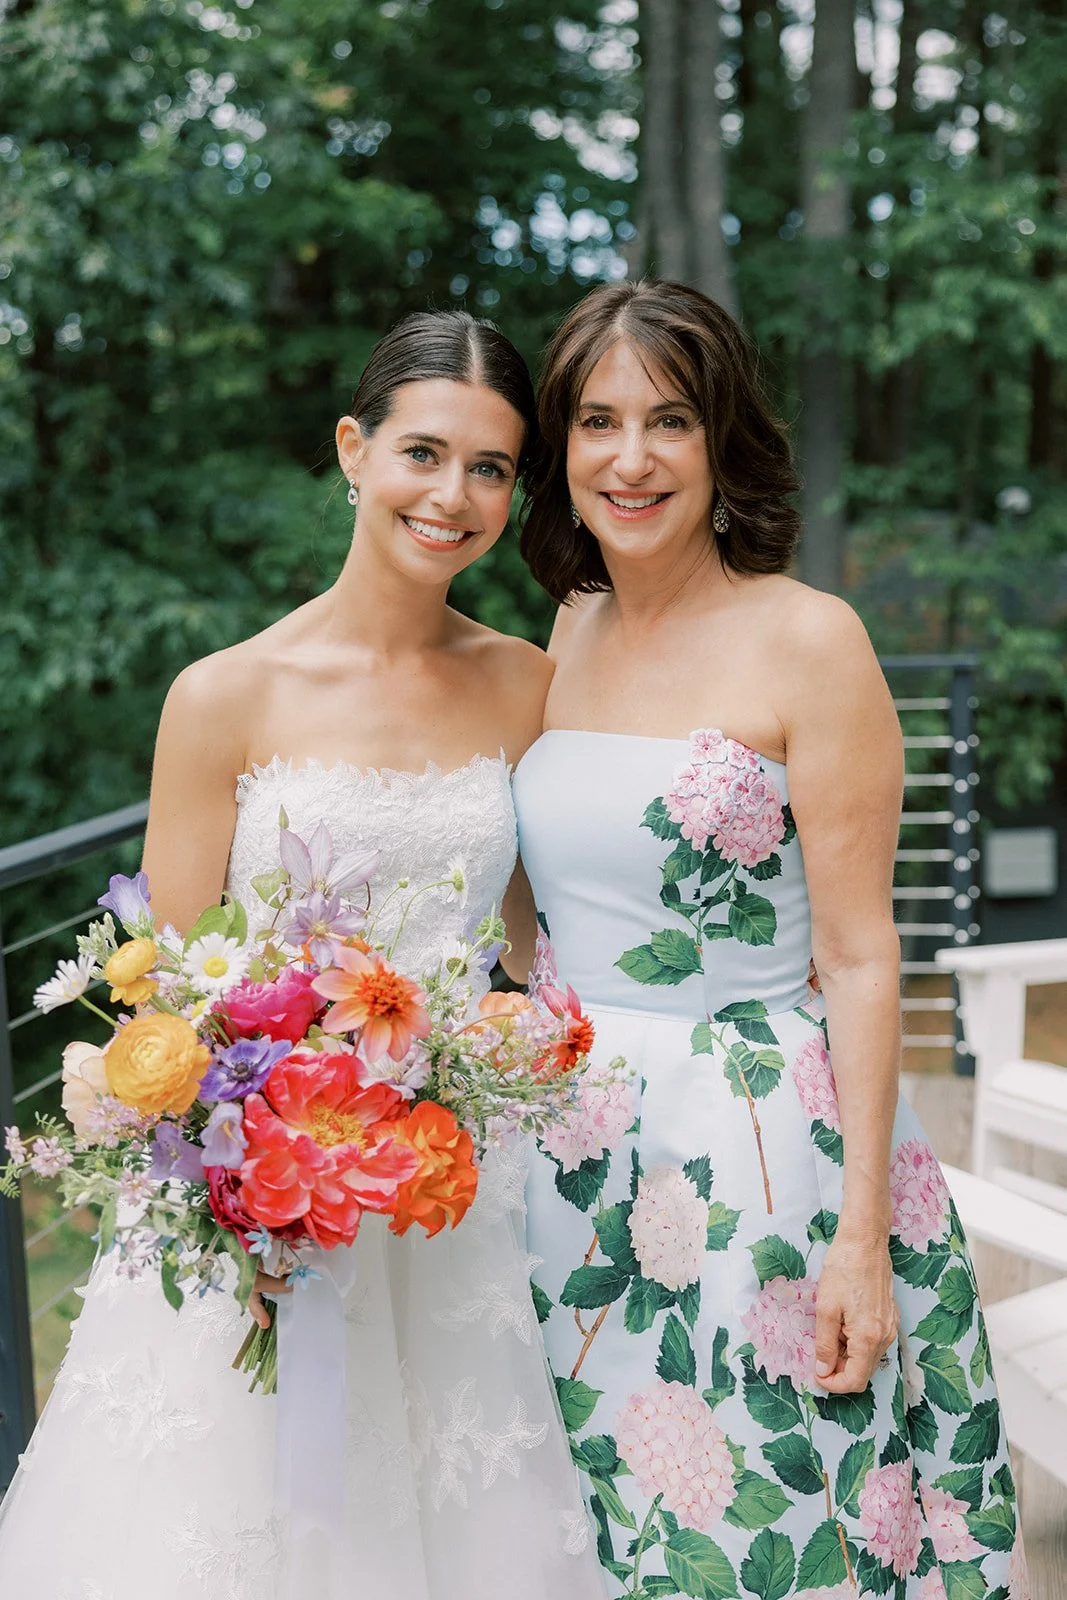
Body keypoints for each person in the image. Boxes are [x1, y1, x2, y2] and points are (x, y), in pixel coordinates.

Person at [0, 311, 606, 1600]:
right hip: (257, 1210)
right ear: (353, 447)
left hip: (453, 1207)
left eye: (492, 469)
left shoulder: (525, 684)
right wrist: (239, 1204)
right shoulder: (224, 695)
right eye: (424, 454)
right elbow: (168, 995)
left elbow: (539, 948)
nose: (455, 496)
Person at [514, 279, 1029, 1599]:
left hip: (760, 1162)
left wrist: (860, 1236)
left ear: (719, 441)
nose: (630, 459)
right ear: (557, 449)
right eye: (596, 422)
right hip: (568, 1168)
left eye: (669, 421)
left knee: (759, 1524)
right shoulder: (560, 635)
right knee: (607, 1524)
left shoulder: (811, 641)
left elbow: (861, 959)